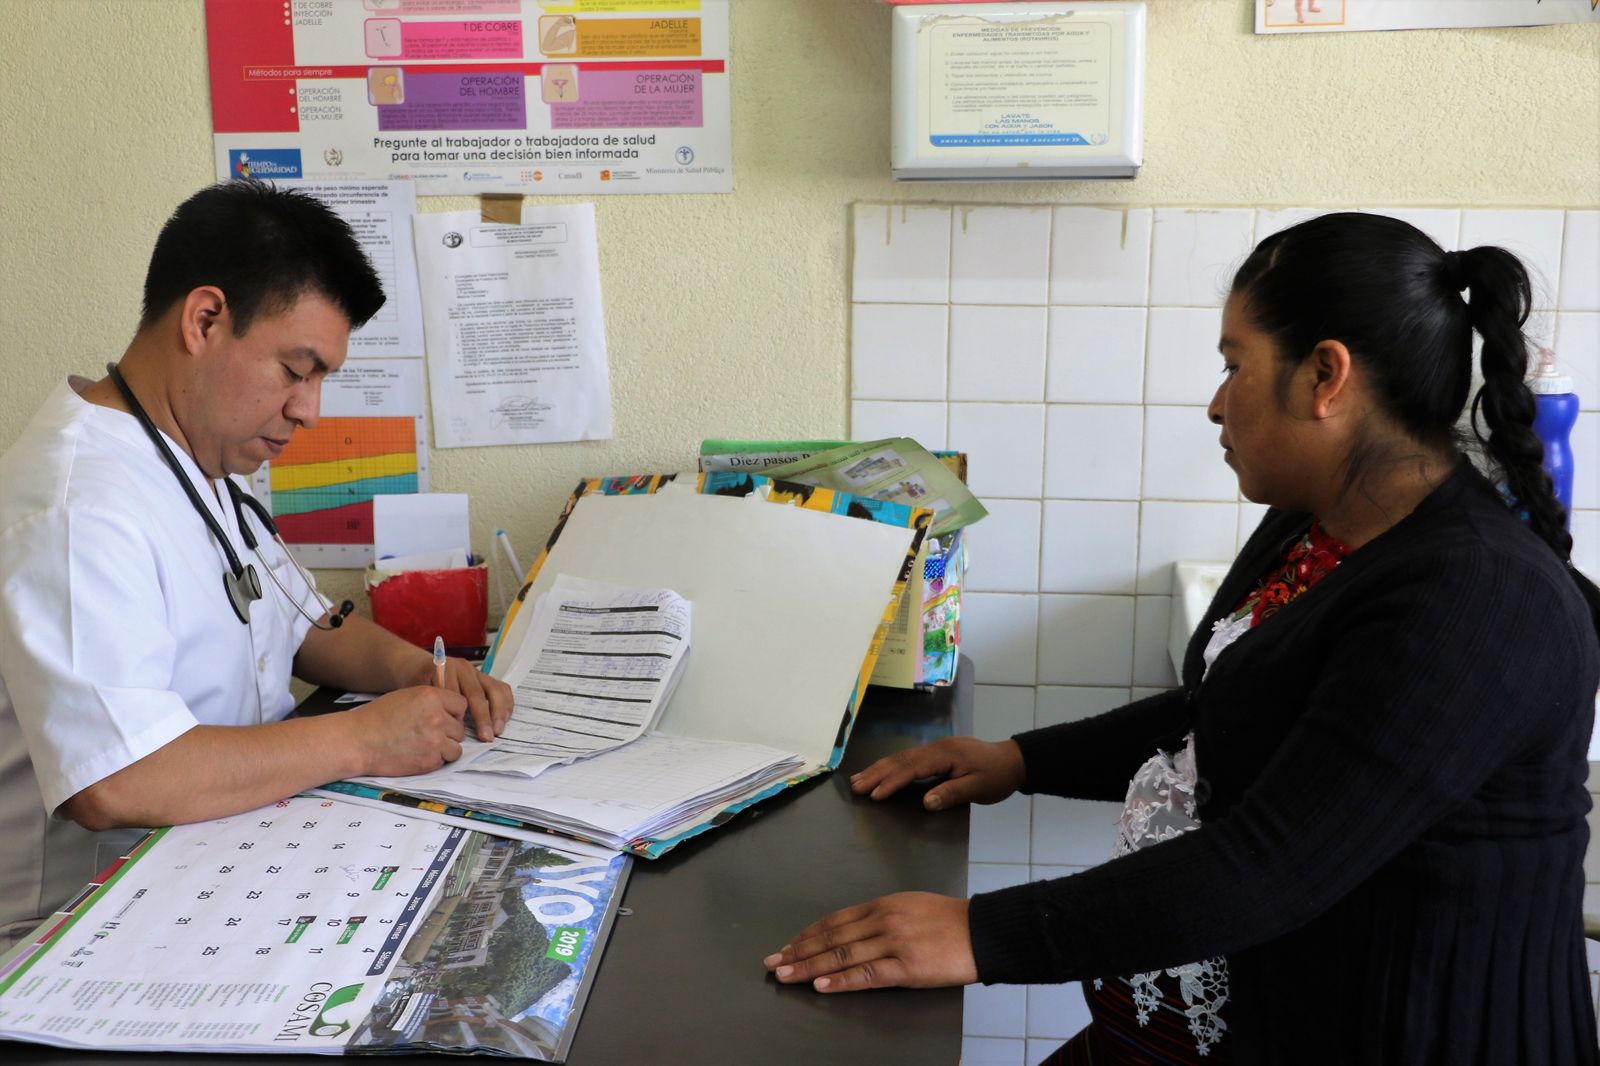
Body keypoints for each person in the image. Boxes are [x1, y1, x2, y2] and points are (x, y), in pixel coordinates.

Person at [764, 213, 1600, 1065]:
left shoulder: (1476, 597)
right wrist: (1020, 761)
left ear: (1326, 376)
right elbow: (1229, 710)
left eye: (1235, 365)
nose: (1216, 403)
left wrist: (983, 935)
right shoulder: (1318, 523)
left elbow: (1274, 865)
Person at [0, 182, 513, 947]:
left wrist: (418, 672)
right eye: (297, 370)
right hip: (80, 928)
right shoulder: (78, 505)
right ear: (205, 320)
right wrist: (366, 739)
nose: (310, 411)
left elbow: (303, 623)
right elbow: (116, 780)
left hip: (227, 867)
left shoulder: (197, 460)